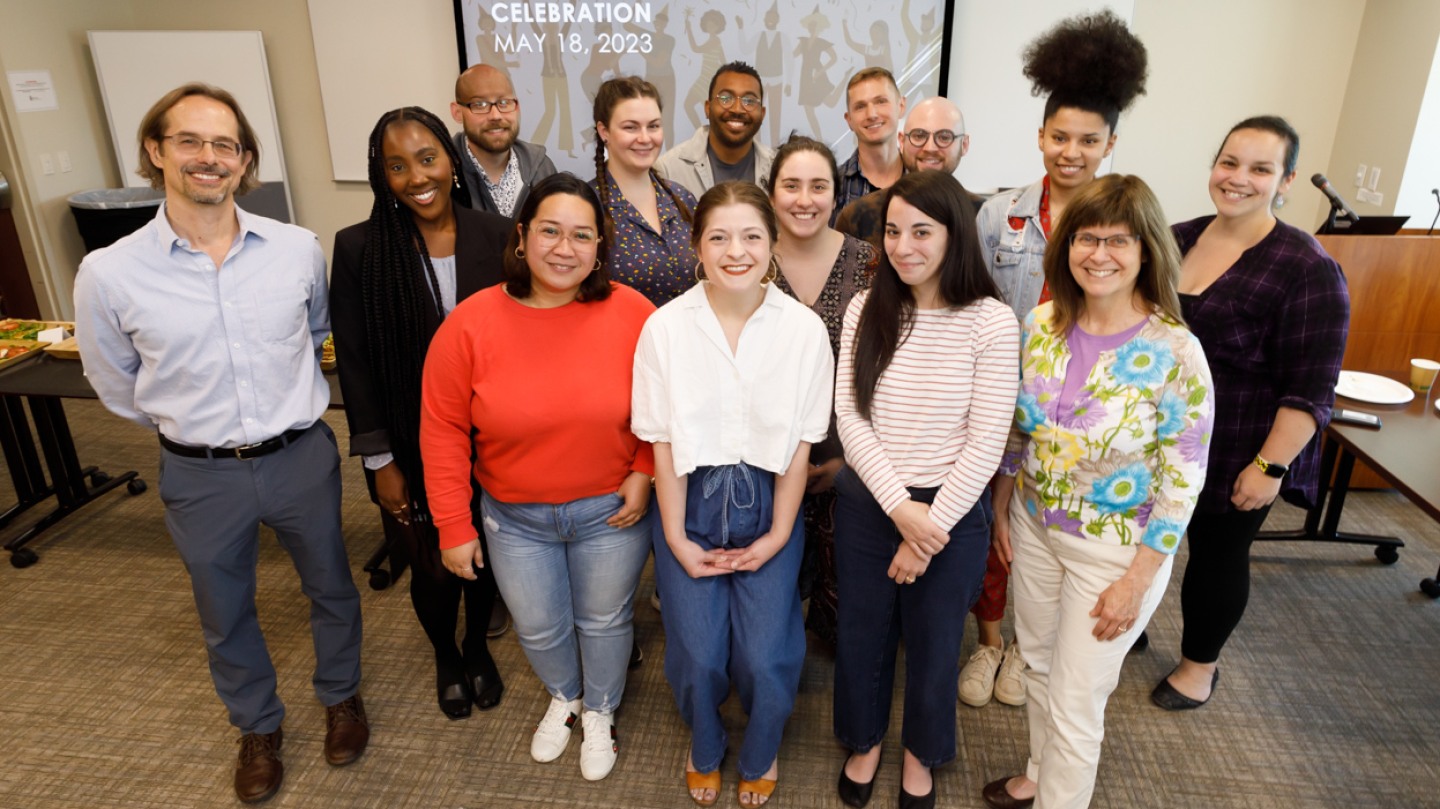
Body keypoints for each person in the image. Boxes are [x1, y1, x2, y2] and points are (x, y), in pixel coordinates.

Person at [73, 83, 367, 804]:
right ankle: (257, 726)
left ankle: (342, 697)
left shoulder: (296, 249)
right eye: (190, 142)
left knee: (330, 584)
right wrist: (189, 428)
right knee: (224, 607)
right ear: (155, 151)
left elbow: (319, 333)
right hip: (200, 472)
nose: (208, 158)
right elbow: (114, 382)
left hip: (300, 455)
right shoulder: (109, 272)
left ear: (244, 161)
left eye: (225, 145)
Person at [981, 174, 1213, 809]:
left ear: (1146, 251)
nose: (1100, 253)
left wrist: (1139, 579)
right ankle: (1036, 773)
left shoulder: (1175, 351)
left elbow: (1182, 481)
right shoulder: (1042, 323)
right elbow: (1019, 431)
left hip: (1116, 552)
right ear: (1067, 246)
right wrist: (1003, 505)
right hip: (1034, 527)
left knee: (1078, 699)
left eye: (1119, 240)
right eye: (1086, 237)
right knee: (1036, 668)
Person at [420, 173, 655, 783]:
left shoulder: (634, 313)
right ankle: (565, 696)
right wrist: (453, 524)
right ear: (521, 236)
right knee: (539, 626)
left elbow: (670, 407)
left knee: (604, 621)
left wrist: (645, 469)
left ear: (600, 246)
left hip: (611, 513)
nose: (565, 247)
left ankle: (600, 709)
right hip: (514, 518)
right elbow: (443, 429)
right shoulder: (469, 324)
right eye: (550, 230)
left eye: (583, 235)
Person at [966, 10, 1149, 711]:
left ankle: (1026, 647)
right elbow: (974, 307)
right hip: (1005, 397)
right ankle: (989, 642)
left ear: (1110, 143)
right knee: (995, 527)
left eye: (1088, 140)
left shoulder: (1125, 220)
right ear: (1040, 136)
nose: (1071, 151)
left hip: (1086, 414)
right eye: (1059, 137)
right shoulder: (1000, 214)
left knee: (1055, 540)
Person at [633, 181, 833, 808]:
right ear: (697, 246)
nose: (735, 251)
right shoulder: (664, 328)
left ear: (773, 244)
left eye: (751, 236)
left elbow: (802, 445)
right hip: (687, 503)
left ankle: (761, 748)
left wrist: (777, 533)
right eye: (718, 236)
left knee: (767, 656)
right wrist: (672, 537)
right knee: (696, 654)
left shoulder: (803, 331)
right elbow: (662, 444)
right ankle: (706, 743)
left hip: (769, 502)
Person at [833, 171, 1019, 809]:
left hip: (953, 504)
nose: (903, 246)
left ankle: (922, 752)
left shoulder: (992, 321)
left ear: (954, 236)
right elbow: (851, 417)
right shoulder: (867, 308)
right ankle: (864, 741)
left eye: (922, 231)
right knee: (862, 630)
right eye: (892, 231)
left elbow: (987, 438)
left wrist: (926, 528)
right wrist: (898, 510)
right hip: (871, 499)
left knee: (938, 640)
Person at [1151, 116, 1349, 711]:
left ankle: (1197, 667)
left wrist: (1270, 466)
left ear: (1286, 181)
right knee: (1139, 541)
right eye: (1229, 162)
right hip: (1151, 434)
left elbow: (1312, 385)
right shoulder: (1175, 237)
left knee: (1215, 557)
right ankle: (1128, 628)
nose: (1238, 178)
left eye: (1260, 169)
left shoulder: (1306, 266)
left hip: (1239, 443)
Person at [331, 107, 511, 722]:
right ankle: (445, 653)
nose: (416, 176)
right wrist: (381, 461)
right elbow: (354, 364)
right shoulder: (359, 248)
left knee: (482, 556)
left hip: (493, 441)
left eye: (427, 158)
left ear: (452, 160)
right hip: (407, 441)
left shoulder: (497, 233)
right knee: (433, 569)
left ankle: (474, 646)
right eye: (397, 165)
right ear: (381, 176)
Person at [764, 135, 877, 651]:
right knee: (769, 596)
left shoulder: (873, 263)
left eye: (818, 186)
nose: (804, 199)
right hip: (764, 453)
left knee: (846, 607)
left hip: (850, 452)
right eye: (791, 185)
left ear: (837, 195)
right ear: (770, 194)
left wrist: (848, 459)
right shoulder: (747, 260)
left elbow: (888, 370)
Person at [590, 76, 699, 308]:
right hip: (622, 341)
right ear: (604, 131)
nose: (645, 138)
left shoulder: (683, 200)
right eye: (630, 127)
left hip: (687, 341)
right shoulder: (587, 205)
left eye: (653, 126)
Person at [835, 96, 975, 248]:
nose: (930, 148)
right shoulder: (859, 217)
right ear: (901, 141)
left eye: (944, 137)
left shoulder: (983, 216)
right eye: (919, 135)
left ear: (964, 144)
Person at [451, 64, 557, 218]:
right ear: (457, 112)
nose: (496, 115)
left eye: (504, 103)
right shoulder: (446, 171)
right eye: (480, 105)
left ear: (517, 107)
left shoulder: (542, 169)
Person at [655, 61, 775, 198]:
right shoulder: (667, 170)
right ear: (707, 108)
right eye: (725, 98)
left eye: (749, 101)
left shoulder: (777, 167)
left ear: (762, 113)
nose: (737, 109)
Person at [833, 67, 906, 223]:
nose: (871, 114)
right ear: (849, 120)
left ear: (901, 106)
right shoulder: (833, 186)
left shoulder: (924, 180)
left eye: (881, 101)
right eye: (860, 106)